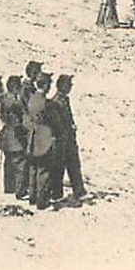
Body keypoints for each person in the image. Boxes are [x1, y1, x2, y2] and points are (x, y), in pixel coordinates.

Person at [47, 73, 87, 204]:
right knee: (58, 168)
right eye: (69, 84)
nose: (71, 87)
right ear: (62, 86)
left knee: (74, 165)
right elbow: (56, 123)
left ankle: (79, 191)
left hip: (69, 139)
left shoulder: (64, 99)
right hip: (61, 140)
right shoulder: (55, 102)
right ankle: (56, 193)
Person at [26, 72, 59, 209]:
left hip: (33, 138)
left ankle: (33, 197)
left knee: (34, 168)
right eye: (49, 84)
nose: (50, 87)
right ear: (45, 85)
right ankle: (42, 201)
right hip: (45, 138)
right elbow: (53, 122)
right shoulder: (46, 103)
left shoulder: (32, 98)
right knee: (44, 171)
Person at [0, 76, 28, 197]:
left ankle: (9, 188)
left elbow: (2, 117)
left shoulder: (4, 99)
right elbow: (22, 116)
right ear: (15, 87)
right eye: (19, 86)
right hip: (15, 138)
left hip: (6, 137)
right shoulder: (15, 103)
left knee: (9, 164)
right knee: (20, 164)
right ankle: (20, 191)